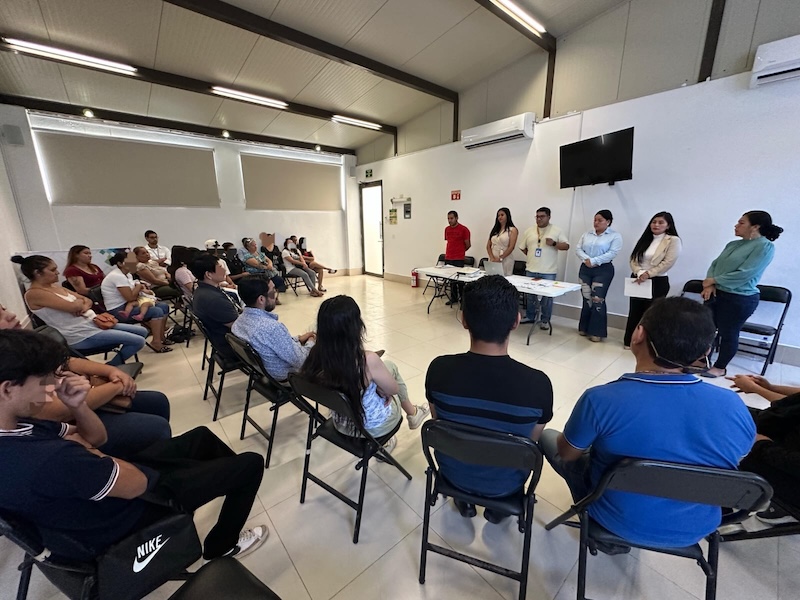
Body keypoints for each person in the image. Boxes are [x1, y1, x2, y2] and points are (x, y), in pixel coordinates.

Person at [0, 329, 267, 561]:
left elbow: (97, 439)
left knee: (201, 437)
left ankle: (216, 486)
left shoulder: (20, 425)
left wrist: (78, 406)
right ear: (7, 389)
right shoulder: (42, 458)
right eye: (43, 380)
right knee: (251, 464)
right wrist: (89, 451)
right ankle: (221, 545)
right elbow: (136, 483)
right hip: (126, 515)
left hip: (107, 489)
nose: (52, 387)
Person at [540, 297, 755, 551]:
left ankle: (603, 533)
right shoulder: (733, 405)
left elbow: (567, 454)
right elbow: (739, 458)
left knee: (551, 438)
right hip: (695, 528)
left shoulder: (601, 399)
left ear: (638, 334)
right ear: (705, 352)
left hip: (616, 519)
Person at [425, 275, 553, 523]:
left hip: (452, 474)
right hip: (506, 483)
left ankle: (463, 499)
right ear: (516, 321)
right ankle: (498, 509)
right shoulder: (538, 385)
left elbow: (439, 423)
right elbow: (529, 443)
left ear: (464, 319)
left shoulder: (439, 370)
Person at [300, 295, 429, 452]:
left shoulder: (316, 356)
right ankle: (412, 414)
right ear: (356, 327)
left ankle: (412, 414)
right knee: (391, 369)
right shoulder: (367, 360)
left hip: (341, 425)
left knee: (384, 370)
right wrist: (382, 390)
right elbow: (394, 390)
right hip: (373, 428)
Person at [12, 254, 148, 364]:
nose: (57, 272)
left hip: (94, 323)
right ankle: (110, 369)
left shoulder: (54, 287)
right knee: (138, 341)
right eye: (52, 270)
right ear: (37, 273)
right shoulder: (35, 294)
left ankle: (109, 368)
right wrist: (79, 304)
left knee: (142, 331)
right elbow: (75, 305)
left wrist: (80, 305)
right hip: (80, 334)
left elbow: (87, 300)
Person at [34, 355, 171, 459]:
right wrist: (116, 386)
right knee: (157, 427)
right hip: (68, 420)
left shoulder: (30, 348)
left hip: (82, 399)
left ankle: (154, 457)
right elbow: (56, 411)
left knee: (157, 401)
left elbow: (67, 362)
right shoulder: (23, 373)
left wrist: (112, 371)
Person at [701, 211, 783, 377]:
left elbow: (746, 273)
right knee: (706, 329)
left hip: (739, 298)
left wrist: (713, 280)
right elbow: (714, 264)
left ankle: (720, 367)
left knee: (728, 333)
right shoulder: (732, 244)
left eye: (741, 223)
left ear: (755, 227)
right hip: (716, 293)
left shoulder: (764, 246)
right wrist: (710, 284)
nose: (736, 225)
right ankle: (703, 361)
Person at [728, 374, 800, 527]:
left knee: (729, 439)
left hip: (791, 473)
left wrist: (762, 445)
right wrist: (770, 388)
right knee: (730, 413)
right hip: (785, 440)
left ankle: (722, 512)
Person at [232, 276, 315, 381]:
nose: (275, 296)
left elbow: (269, 344)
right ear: (261, 299)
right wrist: (311, 342)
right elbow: (302, 361)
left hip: (263, 372)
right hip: (287, 377)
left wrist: (298, 338)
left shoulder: (239, 322)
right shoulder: (272, 328)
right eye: (272, 293)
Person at [622, 212, 682, 348]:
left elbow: (668, 262)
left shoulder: (673, 240)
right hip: (638, 279)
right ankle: (630, 341)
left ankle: (647, 346)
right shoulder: (646, 238)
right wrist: (639, 272)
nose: (656, 225)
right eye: (654, 222)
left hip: (657, 281)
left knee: (651, 314)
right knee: (634, 311)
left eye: (661, 222)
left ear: (668, 225)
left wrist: (648, 274)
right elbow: (633, 258)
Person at [101, 251, 173, 353]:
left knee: (164, 306)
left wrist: (142, 291)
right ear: (120, 263)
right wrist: (139, 287)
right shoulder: (117, 276)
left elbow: (134, 293)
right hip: (119, 310)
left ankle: (161, 337)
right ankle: (156, 342)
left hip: (131, 303)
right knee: (156, 311)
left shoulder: (128, 274)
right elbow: (130, 297)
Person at [519, 207, 570, 328]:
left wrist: (554, 243)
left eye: (542, 216)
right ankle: (530, 316)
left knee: (547, 297)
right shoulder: (529, 230)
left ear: (549, 217)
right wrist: (532, 256)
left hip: (548, 271)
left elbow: (566, 246)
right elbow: (523, 247)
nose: (539, 219)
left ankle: (545, 320)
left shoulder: (556, 230)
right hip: (531, 269)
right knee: (530, 295)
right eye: (537, 216)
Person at [575, 210, 622, 342]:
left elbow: (612, 253)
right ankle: (584, 327)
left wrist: (594, 261)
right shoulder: (587, 234)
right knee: (587, 298)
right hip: (585, 268)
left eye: (600, 220)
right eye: (595, 220)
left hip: (603, 270)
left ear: (608, 222)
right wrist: (587, 260)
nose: (596, 223)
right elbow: (578, 249)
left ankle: (596, 332)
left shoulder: (615, 236)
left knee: (597, 300)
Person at [190, 254, 241, 361]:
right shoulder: (213, 299)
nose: (224, 270)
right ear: (208, 274)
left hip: (221, 340)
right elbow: (238, 326)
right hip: (233, 345)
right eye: (220, 267)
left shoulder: (203, 290)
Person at [444, 210, 471, 306]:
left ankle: (462, 299)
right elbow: (449, 241)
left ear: (456, 218)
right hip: (448, 257)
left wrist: (460, 251)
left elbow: (468, 244)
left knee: (459, 280)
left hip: (458, 258)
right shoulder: (447, 229)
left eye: (451, 218)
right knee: (451, 280)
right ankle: (453, 298)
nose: (449, 220)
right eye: (448, 218)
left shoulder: (464, 229)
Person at [485, 207, 518, 276]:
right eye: (498, 215)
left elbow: (511, 247)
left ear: (507, 216)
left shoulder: (512, 230)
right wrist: (492, 258)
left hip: (505, 258)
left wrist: (500, 258)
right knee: (491, 277)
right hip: (493, 257)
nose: (500, 217)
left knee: (504, 278)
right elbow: (488, 246)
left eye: (502, 215)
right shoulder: (495, 230)